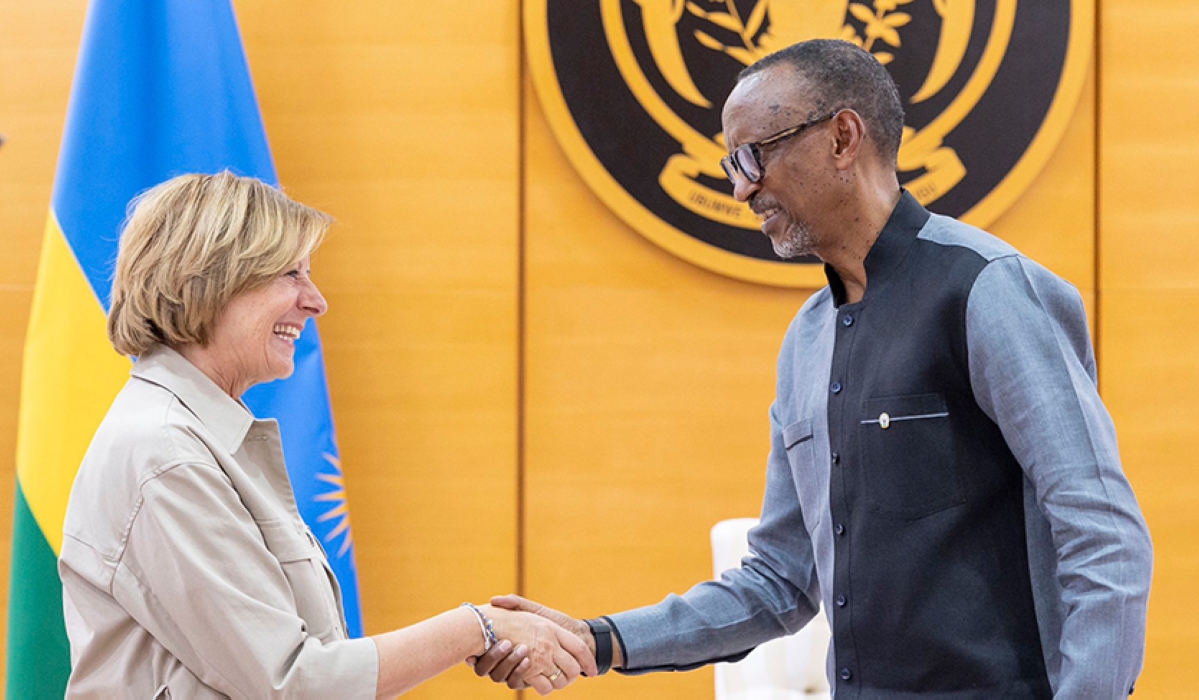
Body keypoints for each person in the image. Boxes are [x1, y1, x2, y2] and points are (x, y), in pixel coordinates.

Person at [472, 39, 1153, 698]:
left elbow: (1103, 537)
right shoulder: (806, 340)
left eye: (752, 157)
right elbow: (777, 581)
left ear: (840, 138)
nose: (741, 190)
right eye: (731, 166)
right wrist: (596, 641)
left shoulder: (988, 289)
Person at [58, 171, 595, 698]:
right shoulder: (166, 454)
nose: (316, 301)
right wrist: (475, 627)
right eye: (290, 274)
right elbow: (294, 683)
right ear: (208, 281)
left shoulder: (195, 439)